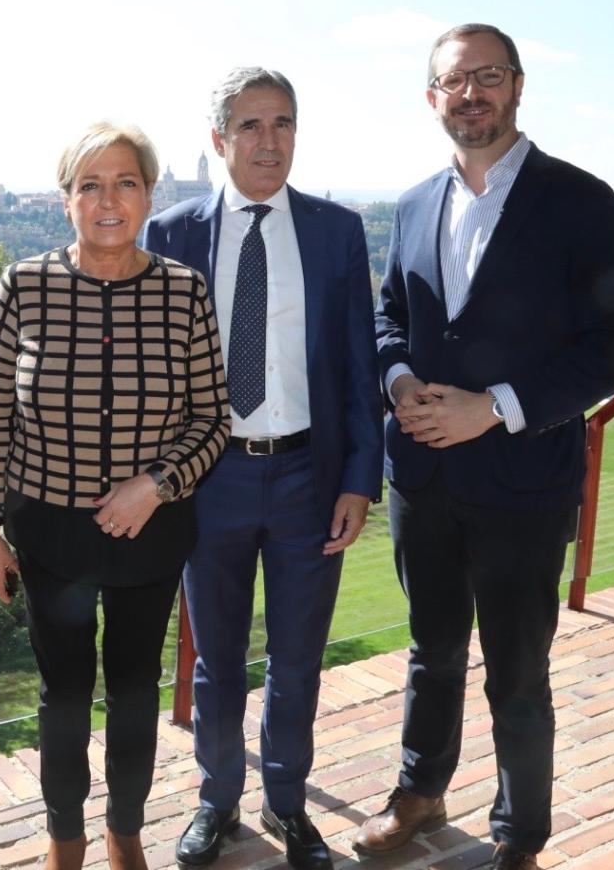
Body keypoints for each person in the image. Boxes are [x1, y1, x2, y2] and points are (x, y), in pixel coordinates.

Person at [358, 23, 614, 870]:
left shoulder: (582, 201)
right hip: (423, 479)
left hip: (523, 479)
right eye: (453, 80)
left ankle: (520, 836)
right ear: (431, 96)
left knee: (518, 670)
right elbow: (388, 320)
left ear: (517, 86)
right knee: (431, 651)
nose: (469, 93)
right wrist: (398, 382)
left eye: (487, 77)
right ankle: (421, 789)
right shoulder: (409, 205)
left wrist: (499, 407)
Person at [144, 68, 384, 870]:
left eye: (282, 123)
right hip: (209, 480)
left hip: (307, 479)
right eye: (250, 125)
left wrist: (359, 478)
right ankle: (217, 800)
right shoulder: (171, 232)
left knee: (297, 658)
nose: (268, 140)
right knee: (216, 660)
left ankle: (287, 804)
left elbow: (357, 363)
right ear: (219, 140)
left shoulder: (334, 232)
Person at [0, 122, 230, 870]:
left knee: (130, 693)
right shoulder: (25, 285)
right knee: (61, 698)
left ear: (150, 194)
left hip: (150, 533)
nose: (108, 199)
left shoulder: (182, 292)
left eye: (125, 182)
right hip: (49, 535)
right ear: (66, 202)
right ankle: (65, 837)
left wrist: (157, 484)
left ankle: (124, 830)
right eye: (90, 184)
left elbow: (213, 417)